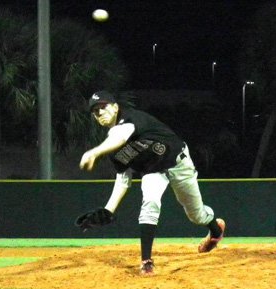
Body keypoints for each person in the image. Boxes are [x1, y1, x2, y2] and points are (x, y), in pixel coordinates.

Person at [79, 90, 226, 276]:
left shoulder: (131, 119)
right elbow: (123, 180)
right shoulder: (114, 151)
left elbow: (121, 135)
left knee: (196, 216)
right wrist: (109, 209)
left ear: (116, 107)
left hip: (178, 162)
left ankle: (215, 230)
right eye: (95, 111)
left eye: (103, 107)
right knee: (150, 203)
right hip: (153, 171)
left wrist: (94, 152)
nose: (99, 112)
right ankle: (146, 261)